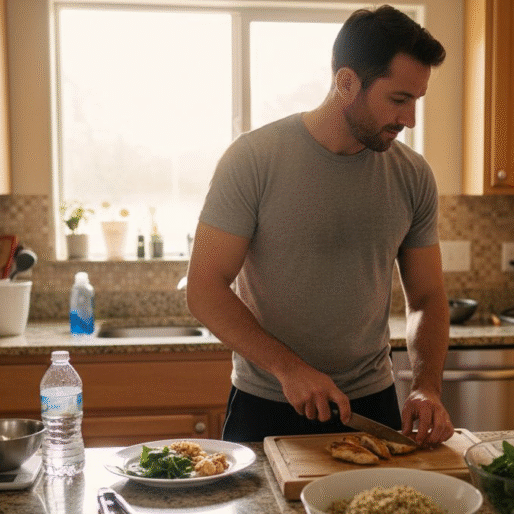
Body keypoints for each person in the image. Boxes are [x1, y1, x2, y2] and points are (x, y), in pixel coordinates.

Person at [186, 5, 453, 446]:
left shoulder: (413, 175)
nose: (410, 120)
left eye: (416, 101)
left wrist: (427, 386)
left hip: (371, 402)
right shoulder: (254, 159)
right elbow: (204, 288)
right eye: (398, 100)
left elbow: (426, 297)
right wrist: (288, 368)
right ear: (346, 83)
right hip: (268, 401)